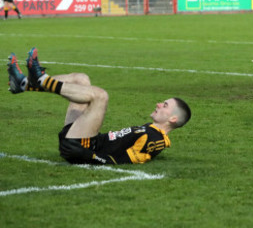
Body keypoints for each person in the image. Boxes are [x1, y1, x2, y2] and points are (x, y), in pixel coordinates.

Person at [7, 47, 191, 165]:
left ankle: (40, 80)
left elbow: (128, 160)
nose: (159, 104)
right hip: (80, 138)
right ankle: (24, 84)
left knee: (101, 96)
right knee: (81, 79)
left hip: (83, 148)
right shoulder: (151, 130)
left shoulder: (156, 139)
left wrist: (91, 157)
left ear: (173, 118)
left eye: (165, 105)